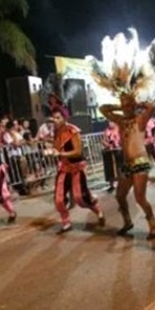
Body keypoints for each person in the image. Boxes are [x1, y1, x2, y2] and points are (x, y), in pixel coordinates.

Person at [99, 94, 155, 239]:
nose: (126, 107)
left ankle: (153, 224)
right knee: (120, 195)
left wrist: (136, 104)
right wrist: (120, 107)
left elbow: (152, 106)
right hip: (127, 164)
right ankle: (127, 222)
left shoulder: (140, 119)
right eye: (123, 104)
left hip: (140, 161)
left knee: (140, 197)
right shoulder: (120, 121)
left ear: (133, 104)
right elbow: (102, 109)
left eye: (128, 104)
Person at [49, 95, 105, 234]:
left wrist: (60, 154)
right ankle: (66, 223)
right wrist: (51, 150)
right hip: (64, 169)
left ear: (64, 118)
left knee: (80, 198)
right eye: (54, 118)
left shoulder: (73, 131)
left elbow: (77, 152)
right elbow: (56, 148)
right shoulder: (55, 132)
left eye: (58, 118)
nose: (55, 120)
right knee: (59, 199)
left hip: (76, 168)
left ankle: (97, 209)